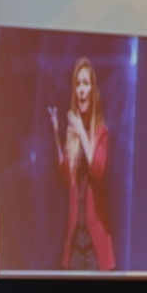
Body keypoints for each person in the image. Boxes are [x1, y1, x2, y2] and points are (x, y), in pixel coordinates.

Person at [48, 57, 115, 271]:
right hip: (76, 241)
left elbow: (98, 170)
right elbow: (64, 177)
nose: (81, 90)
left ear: (93, 90)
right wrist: (56, 134)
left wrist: (81, 132)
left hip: (95, 243)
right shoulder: (73, 134)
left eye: (86, 83)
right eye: (78, 84)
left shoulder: (102, 132)